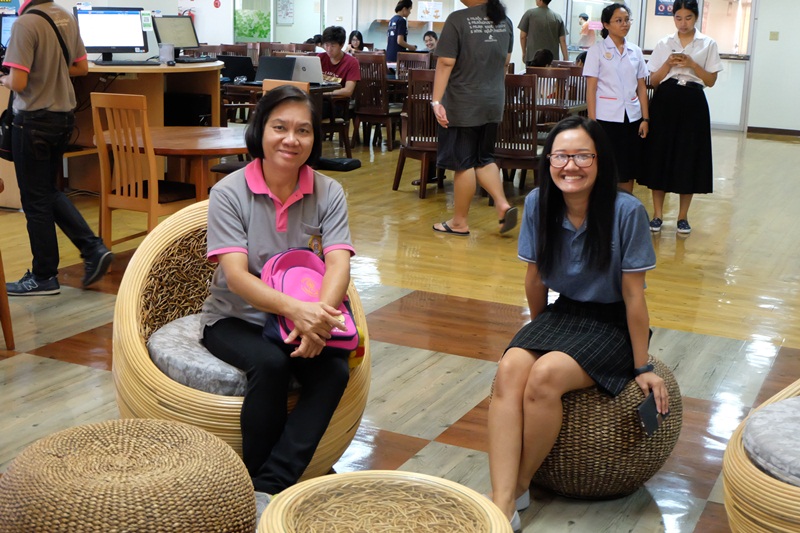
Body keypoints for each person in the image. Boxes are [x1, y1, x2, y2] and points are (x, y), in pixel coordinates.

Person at [486, 116, 666, 531]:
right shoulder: (538, 203)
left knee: (546, 375)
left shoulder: (627, 211)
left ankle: (517, 487)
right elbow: (534, 278)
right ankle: (501, 500)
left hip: (612, 321)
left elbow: (634, 296)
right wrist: (537, 332)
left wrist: (642, 365)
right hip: (563, 312)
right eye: (561, 156)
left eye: (583, 156)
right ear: (548, 161)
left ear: (600, 161)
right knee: (511, 366)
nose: (571, 166)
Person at [201, 85, 355, 496]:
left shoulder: (328, 191)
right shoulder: (229, 192)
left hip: (305, 317)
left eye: (303, 130)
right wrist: (297, 312)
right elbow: (236, 277)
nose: (291, 139)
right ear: (260, 130)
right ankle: (260, 486)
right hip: (236, 318)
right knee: (270, 364)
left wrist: (317, 318)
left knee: (334, 371)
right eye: (280, 127)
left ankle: (269, 487)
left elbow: (339, 263)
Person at [2, 0, 113, 297]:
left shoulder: (24, 23)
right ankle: (92, 248)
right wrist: (49, 68)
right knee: (48, 192)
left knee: (35, 200)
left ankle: (44, 276)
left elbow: (18, 81)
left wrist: (4, 78)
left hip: (33, 122)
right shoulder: (64, 16)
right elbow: (81, 67)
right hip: (62, 120)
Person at [431, 0, 517, 236]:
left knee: (464, 163)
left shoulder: (458, 19)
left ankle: (459, 222)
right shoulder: (505, 21)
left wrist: (436, 101)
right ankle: (502, 203)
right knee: (484, 158)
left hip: (463, 102)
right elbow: (505, 62)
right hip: (493, 100)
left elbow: (445, 62)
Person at [641, 0, 721, 235]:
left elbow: (711, 81)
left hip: (693, 100)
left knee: (690, 156)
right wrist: (668, 63)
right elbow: (654, 81)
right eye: (678, 18)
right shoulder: (664, 43)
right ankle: (657, 214)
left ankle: (683, 217)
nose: (683, 23)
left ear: (696, 17)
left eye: (688, 18)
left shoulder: (708, 43)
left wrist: (692, 64)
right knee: (660, 154)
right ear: (673, 18)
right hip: (666, 99)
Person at [584, 3, 649, 193]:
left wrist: (645, 119)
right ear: (606, 24)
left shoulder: (635, 51)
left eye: (627, 20)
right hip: (606, 117)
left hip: (632, 117)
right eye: (619, 20)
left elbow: (642, 87)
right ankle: (605, 205)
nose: (624, 24)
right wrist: (592, 122)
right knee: (606, 166)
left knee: (628, 168)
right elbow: (591, 88)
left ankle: (625, 204)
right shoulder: (596, 50)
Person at [518, 0, 568, 65]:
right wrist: (566, 59)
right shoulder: (557, 17)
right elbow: (563, 40)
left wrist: (524, 53)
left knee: (532, 72)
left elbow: (523, 36)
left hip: (533, 58)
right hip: (551, 60)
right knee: (549, 72)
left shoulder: (529, 13)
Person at [318, 26, 361, 102]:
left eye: (333, 46)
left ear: (342, 45)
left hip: (337, 102)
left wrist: (325, 93)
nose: (329, 49)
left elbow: (348, 91)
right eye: (326, 45)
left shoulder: (352, 62)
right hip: (318, 99)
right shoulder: (320, 58)